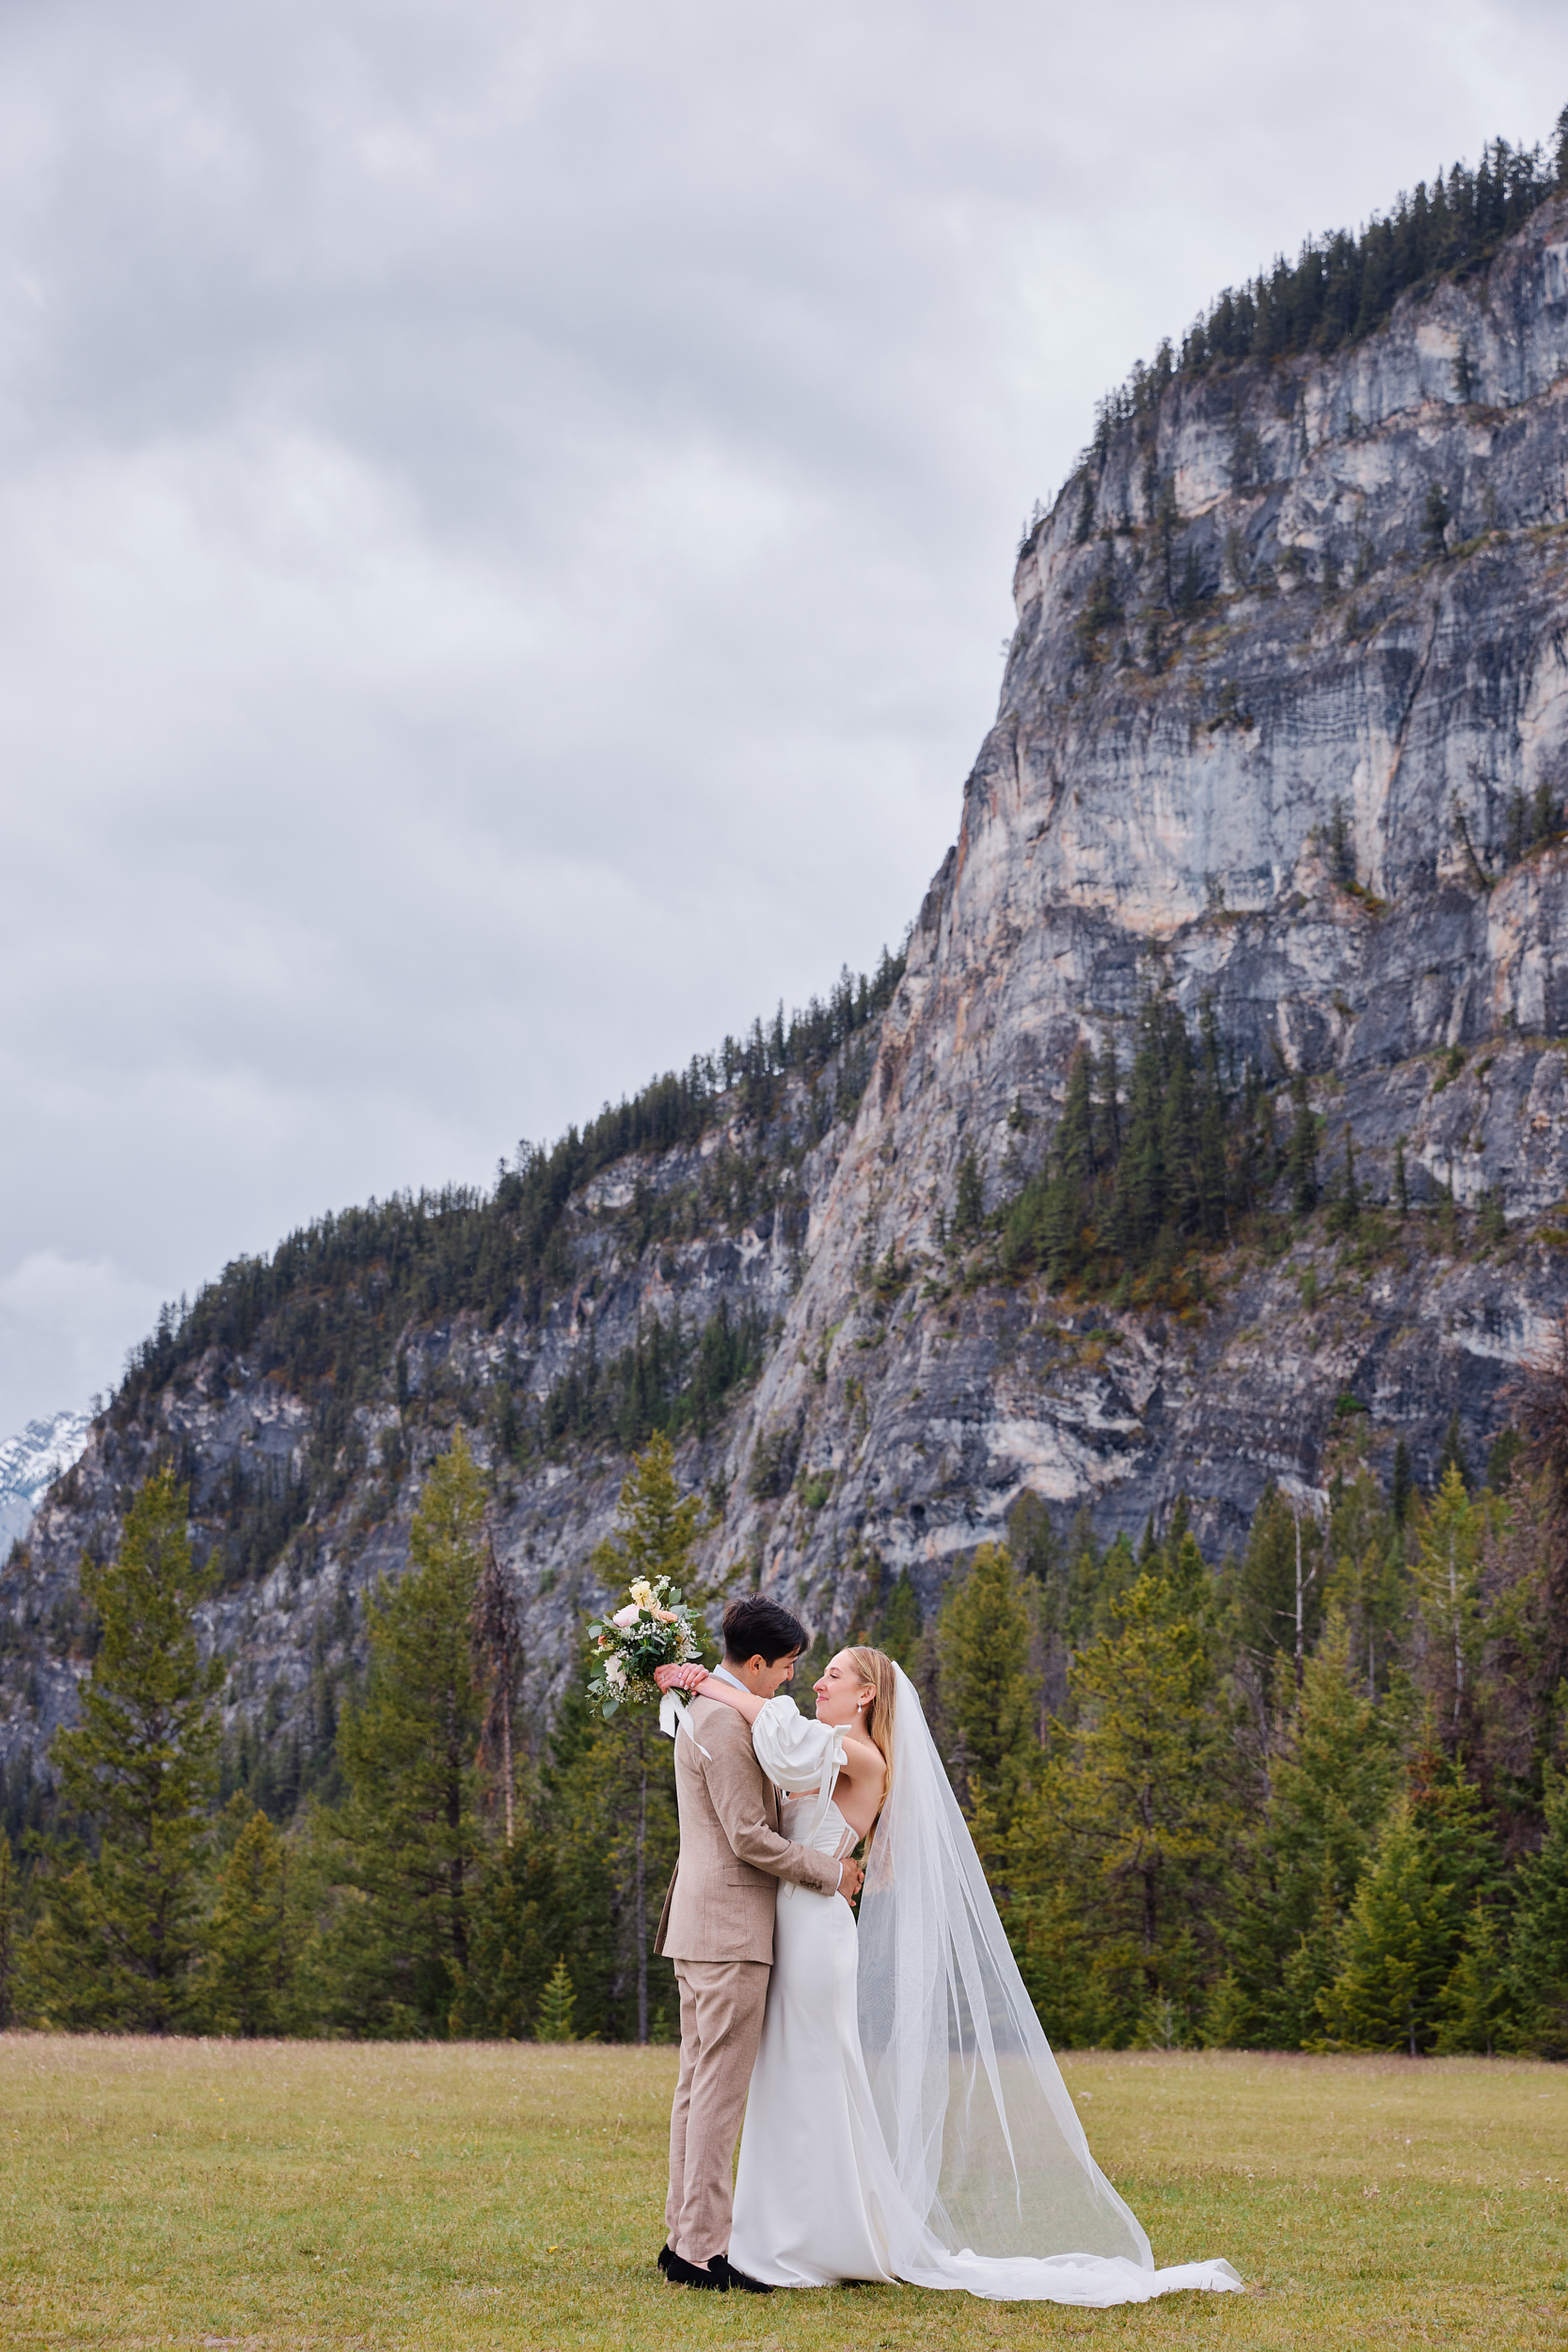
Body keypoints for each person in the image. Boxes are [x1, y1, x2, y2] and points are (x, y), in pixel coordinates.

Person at [656, 1643, 1243, 2308]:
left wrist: (704, 1684)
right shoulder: (819, 1744)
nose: (818, 1682)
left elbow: (768, 1721)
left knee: (813, 2075)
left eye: (834, 1674)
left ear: (868, 1694)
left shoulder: (864, 1756)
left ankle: (811, 2235)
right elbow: (774, 1745)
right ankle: (766, 2231)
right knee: (782, 2079)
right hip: (785, 1923)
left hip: (814, 1933)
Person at [651, 1593, 863, 2294]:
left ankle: (685, 2235)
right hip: (730, 1931)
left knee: (696, 2087)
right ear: (756, 1662)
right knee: (715, 2093)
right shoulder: (724, 1723)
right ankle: (702, 2250)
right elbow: (747, 1835)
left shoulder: (709, 1710)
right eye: (786, 1668)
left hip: (705, 1926)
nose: (791, 1682)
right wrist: (830, 1873)